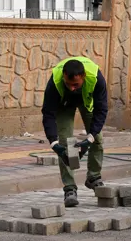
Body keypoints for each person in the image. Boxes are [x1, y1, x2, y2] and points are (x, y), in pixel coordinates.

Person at [41, 57, 108, 208]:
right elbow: (48, 113)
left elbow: (101, 110)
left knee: (97, 138)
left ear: (83, 77)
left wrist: (89, 139)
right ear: (63, 76)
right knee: (65, 142)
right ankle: (70, 189)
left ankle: (93, 177)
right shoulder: (55, 82)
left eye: (75, 84)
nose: (72, 87)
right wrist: (54, 143)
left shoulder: (97, 79)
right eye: (68, 84)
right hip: (64, 103)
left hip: (87, 101)